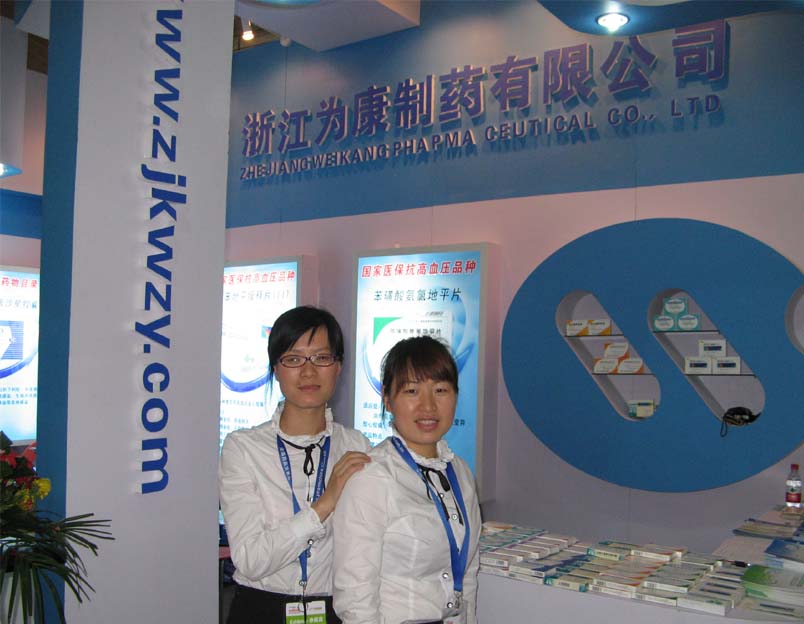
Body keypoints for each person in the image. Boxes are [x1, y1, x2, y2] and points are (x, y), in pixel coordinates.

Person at [219, 305, 371, 623]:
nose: (308, 372)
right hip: (260, 609)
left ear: (339, 366)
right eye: (293, 359)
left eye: (321, 357)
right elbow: (250, 560)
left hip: (334, 610)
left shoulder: (356, 447)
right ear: (276, 368)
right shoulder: (243, 448)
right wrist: (325, 504)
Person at [332, 335, 481, 624]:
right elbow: (355, 596)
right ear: (387, 399)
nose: (428, 406)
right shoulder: (372, 477)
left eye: (440, 390)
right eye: (412, 391)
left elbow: (469, 572)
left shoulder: (459, 471)